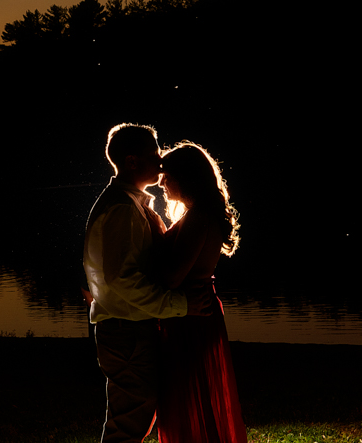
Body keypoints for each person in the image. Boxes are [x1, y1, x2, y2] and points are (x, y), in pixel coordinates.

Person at [83, 123, 211, 443]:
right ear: (132, 161)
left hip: (128, 328)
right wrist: (180, 305)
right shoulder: (122, 209)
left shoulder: (128, 203)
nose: (161, 160)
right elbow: (122, 279)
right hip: (125, 330)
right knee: (130, 422)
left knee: (135, 415)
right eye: (154, 153)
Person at [153, 141, 247, 443]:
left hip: (191, 316)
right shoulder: (199, 214)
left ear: (186, 177)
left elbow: (172, 277)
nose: (161, 183)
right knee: (191, 397)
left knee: (187, 398)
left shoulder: (198, 218)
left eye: (167, 176)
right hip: (192, 312)